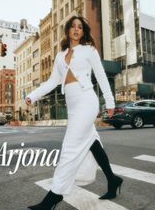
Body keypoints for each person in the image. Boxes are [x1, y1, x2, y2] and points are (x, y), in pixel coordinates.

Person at [25, 16, 123, 210]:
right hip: (73, 106)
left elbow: (102, 76)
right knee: (92, 143)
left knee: (70, 148)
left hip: (87, 100)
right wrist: (32, 96)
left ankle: (53, 198)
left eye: (80, 27)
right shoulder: (60, 56)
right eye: (73, 26)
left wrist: (110, 102)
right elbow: (52, 82)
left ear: (83, 31)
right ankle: (112, 180)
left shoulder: (89, 50)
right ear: (68, 30)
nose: (77, 30)